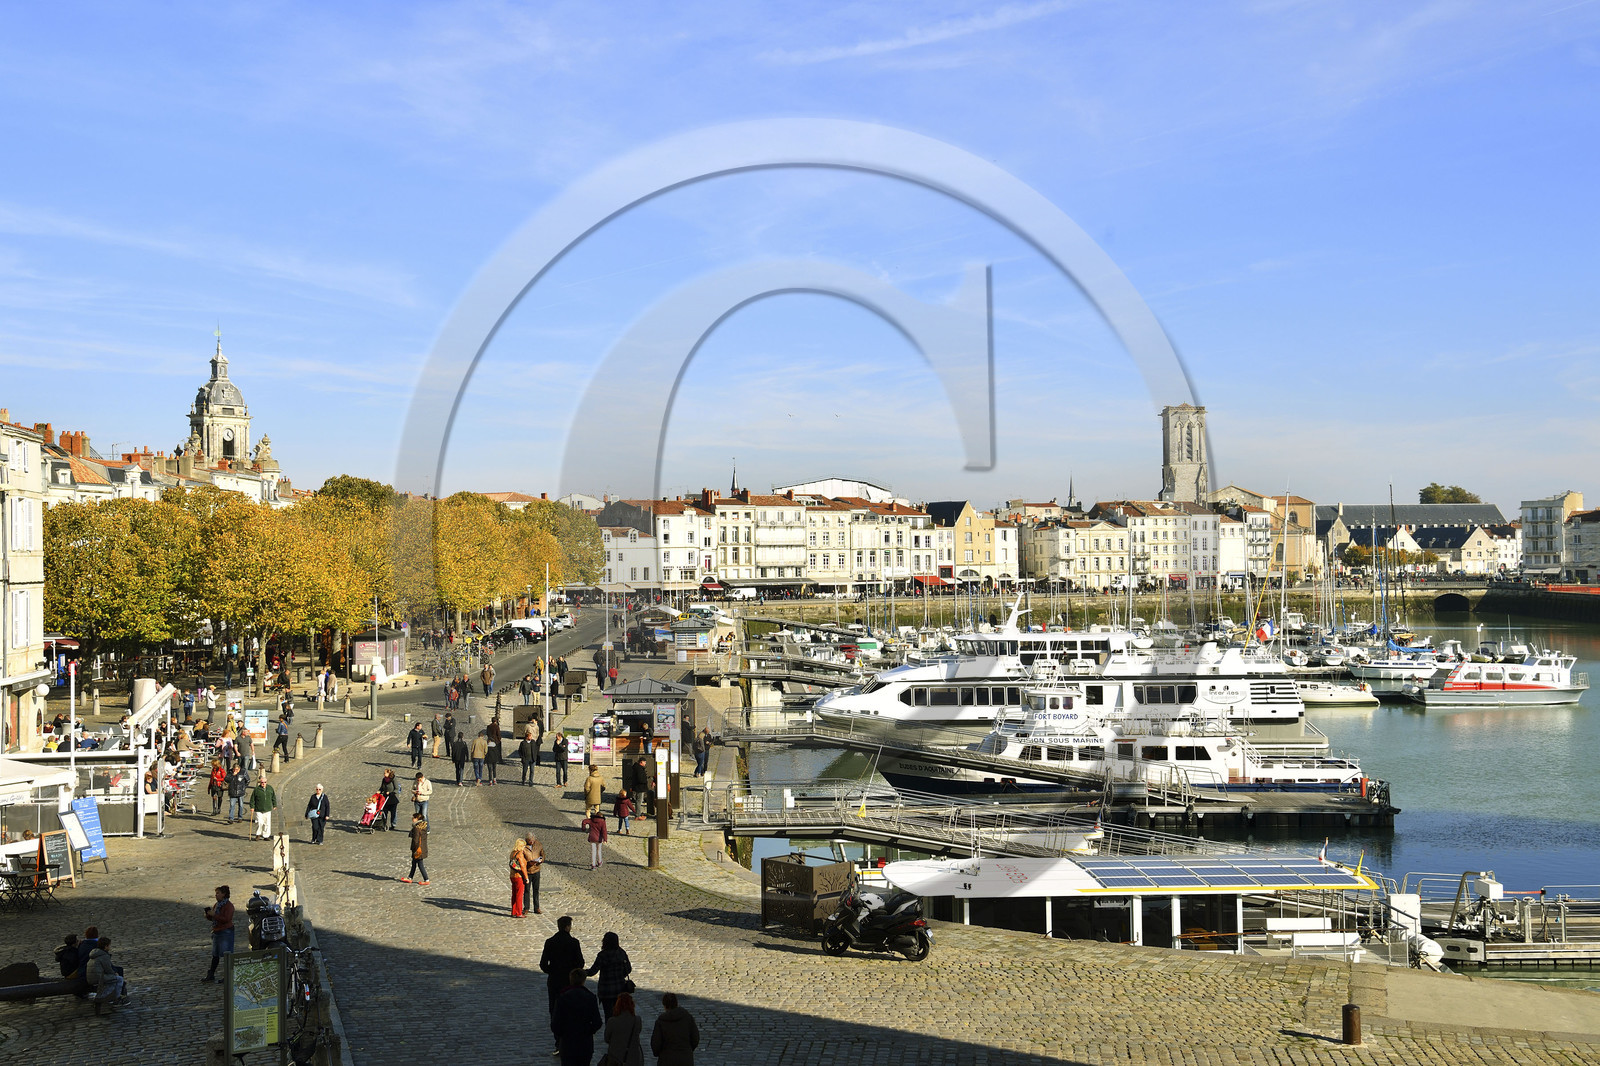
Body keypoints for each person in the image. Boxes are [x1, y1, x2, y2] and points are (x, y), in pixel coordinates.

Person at [540, 917, 585, 1041]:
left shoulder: (550, 942)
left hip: (554, 981)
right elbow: (580, 963)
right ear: (567, 927)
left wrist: (552, 971)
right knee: (570, 1009)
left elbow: (543, 964)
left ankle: (558, 1039)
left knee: (554, 1009)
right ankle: (569, 1036)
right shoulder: (574, 943)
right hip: (569, 982)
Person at [552, 969, 603, 1066]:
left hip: (567, 1043)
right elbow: (597, 1022)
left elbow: (555, 1024)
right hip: (585, 1044)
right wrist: (588, 1031)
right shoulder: (590, 997)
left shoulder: (562, 998)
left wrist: (563, 1034)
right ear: (584, 980)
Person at [585, 931, 633, 1019]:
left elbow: (593, 971)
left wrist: (582, 972)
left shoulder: (602, 955)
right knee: (619, 1014)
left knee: (609, 1016)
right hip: (620, 989)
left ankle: (610, 1031)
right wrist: (620, 976)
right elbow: (628, 969)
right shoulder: (621, 953)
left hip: (606, 991)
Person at [650, 992, 700, 1066]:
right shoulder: (687, 1017)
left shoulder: (661, 1022)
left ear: (665, 1005)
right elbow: (695, 1038)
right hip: (685, 1060)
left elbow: (656, 1045)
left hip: (666, 1060)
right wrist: (687, 1050)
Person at [603, 992, 645, 1066]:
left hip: (615, 1059)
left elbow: (607, 1038)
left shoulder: (612, 1021)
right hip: (633, 1058)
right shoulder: (637, 1020)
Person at [203, 885, 235, 982]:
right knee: (215, 955)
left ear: (224, 894)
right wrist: (208, 915)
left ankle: (228, 976)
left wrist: (215, 915)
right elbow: (214, 918)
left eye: (218, 893)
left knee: (226, 955)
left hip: (226, 932)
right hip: (217, 931)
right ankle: (211, 974)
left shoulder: (228, 906)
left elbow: (226, 919)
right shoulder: (217, 905)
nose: (216, 895)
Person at [86, 935, 128, 1006]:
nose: (110, 947)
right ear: (105, 947)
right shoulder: (104, 956)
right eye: (109, 946)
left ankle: (105, 997)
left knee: (112, 981)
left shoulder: (95, 953)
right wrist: (114, 974)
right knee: (119, 979)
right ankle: (116, 998)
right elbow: (108, 969)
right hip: (99, 978)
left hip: (91, 977)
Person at [401, 811, 430, 885]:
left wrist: (414, 849)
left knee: (420, 864)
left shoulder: (417, 828)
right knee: (414, 863)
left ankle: (426, 879)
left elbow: (416, 840)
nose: (412, 819)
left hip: (418, 849)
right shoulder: (423, 827)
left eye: (414, 817)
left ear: (417, 819)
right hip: (422, 848)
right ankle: (410, 877)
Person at [249, 774, 277, 840]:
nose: (263, 784)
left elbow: (273, 797)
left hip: (267, 809)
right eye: (262, 782)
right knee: (259, 822)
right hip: (258, 809)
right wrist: (252, 807)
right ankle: (258, 834)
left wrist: (274, 805)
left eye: (265, 782)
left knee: (267, 823)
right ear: (260, 782)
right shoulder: (256, 790)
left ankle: (266, 835)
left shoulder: (270, 788)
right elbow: (252, 799)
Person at [524, 834, 545, 914]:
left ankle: (537, 907)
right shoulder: (524, 847)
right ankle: (526, 908)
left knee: (536, 890)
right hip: (528, 871)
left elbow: (543, 854)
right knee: (527, 890)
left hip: (536, 870)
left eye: (533, 840)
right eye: (530, 841)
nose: (532, 842)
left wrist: (541, 860)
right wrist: (528, 863)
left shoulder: (538, 845)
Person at [509, 839, 529, 918]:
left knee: (514, 894)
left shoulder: (512, 853)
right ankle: (519, 912)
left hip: (512, 876)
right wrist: (526, 878)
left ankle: (513, 911)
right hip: (519, 876)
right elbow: (523, 867)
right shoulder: (520, 854)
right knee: (519, 895)